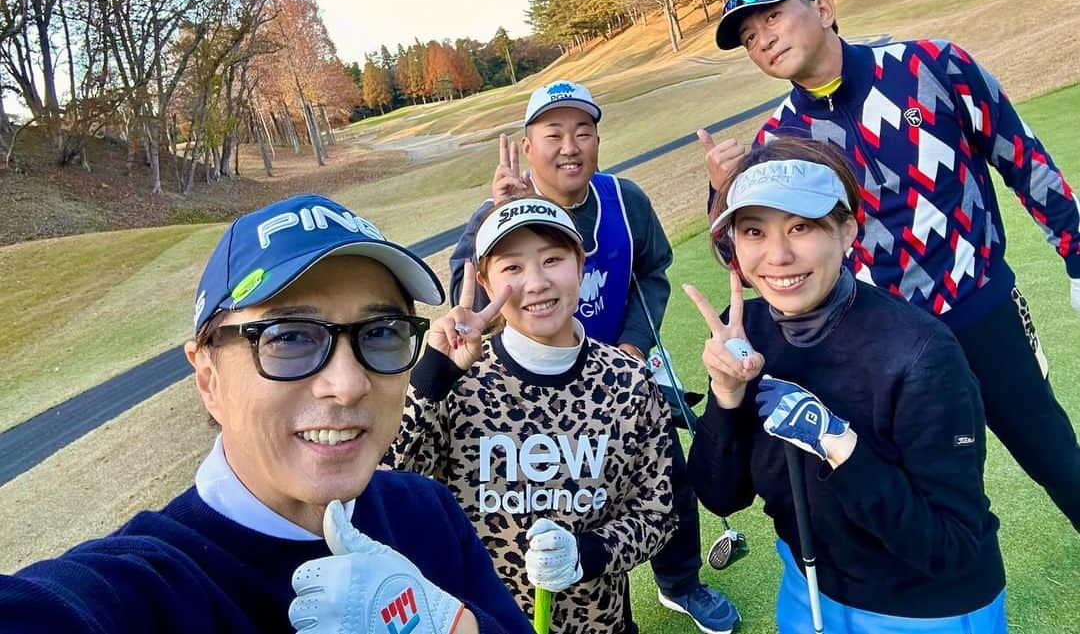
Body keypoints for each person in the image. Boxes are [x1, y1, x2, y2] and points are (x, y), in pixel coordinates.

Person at [0, 194, 532, 634]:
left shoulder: (427, 512)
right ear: (208, 377)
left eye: (381, 333)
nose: (347, 385)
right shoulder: (150, 589)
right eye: (289, 338)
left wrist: (446, 627)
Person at [700, 0, 1080, 530]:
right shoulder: (776, 142)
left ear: (824, 8)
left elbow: (1021, 158)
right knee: (925, 497)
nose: (762, 41)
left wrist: (1075, 253)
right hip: (886, 347)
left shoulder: (934, 66)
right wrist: (720, 190)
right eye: (750, 38)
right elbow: (750, 262)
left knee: (1053, 455)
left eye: (772, 17)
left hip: (984, 313)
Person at [448, 80, 740, 634]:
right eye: (552, 133)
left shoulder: (625, 200)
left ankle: (680, 583)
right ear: (529, 148)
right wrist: (498, 213)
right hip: (529, 390)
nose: (570, 146)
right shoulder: (496, 212)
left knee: (666, 477)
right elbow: (469, 302)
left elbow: (652, 272)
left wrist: (632, 345)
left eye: (583, 132)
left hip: (618, 376)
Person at [686, 136, 1007, 633]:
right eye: (754, 231)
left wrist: (839, 444)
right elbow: (721, 497)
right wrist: (726, 399)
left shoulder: (922, 354)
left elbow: (951, 547)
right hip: (808, 587)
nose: (778, 255)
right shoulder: (745, 332)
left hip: (926, 607)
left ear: (846, 230)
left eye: (801, 226)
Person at [391, 195, 677, 634]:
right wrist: (432, 377)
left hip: (601, 624)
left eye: (552, 259)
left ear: (580, 265)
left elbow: (657, 513)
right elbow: (389, 482)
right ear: (485, 281)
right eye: (512, 268)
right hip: (482, 622)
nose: (537, 282)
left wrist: (588, 553)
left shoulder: (629, 381)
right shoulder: (459, 380)